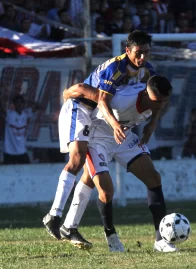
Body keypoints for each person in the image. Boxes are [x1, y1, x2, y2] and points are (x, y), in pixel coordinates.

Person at [43, 30, 155, 242]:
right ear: (127, 50)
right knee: (77, 158)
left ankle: (70, 227)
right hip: (80, 109)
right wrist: (114, 124)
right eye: (138, 53)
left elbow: (159, 97)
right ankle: (54, 215)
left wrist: (150, 126)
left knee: (90, 176)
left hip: (99, 120)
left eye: (146, 53)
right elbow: (91, 93)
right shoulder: (115, 69)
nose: (142, 57)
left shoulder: (147, 71)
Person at [60, 75, 177, 252]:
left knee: (153, 178)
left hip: (123, 137)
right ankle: (111, 236)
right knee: (106, 191)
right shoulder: (123, 100)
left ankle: (160, 240)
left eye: (164, 101)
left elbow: (158, 103)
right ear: (146, 93)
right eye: (157, 101)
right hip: (96, 139)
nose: (160, 105)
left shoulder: (155, 99)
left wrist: (152, 123)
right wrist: (68, 93)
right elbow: (92, 93)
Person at [0, 95, 35, 164]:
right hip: (9, 151)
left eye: (21, 102)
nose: (19, 105)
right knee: (8, 173)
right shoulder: (9, 114)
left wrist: (28, 100)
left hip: (21, 151)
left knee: (27, 170)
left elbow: (40, 106)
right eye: (17, 103)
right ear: (14, 104)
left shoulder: (26, 113)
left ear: (23, 104)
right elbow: (1, 108)